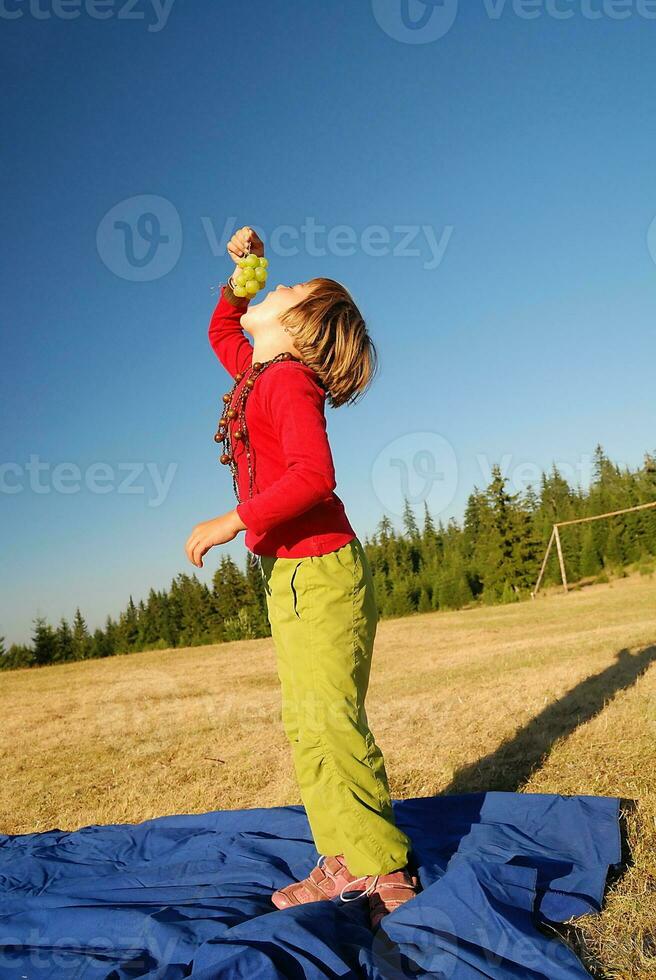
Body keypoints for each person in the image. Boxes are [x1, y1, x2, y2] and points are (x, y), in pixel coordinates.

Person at [185, 225, 420, 929]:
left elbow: (316, 476)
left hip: (321, 571)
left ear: (301, 331)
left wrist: (233, 520)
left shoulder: (287, 382)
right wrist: (247, 273)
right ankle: (341, 857)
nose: (275, 287)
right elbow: (222, 325)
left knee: (332, 720)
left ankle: (382, 864)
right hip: (285, 575)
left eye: (287, 289)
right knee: (306, 723)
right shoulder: (258, 370)